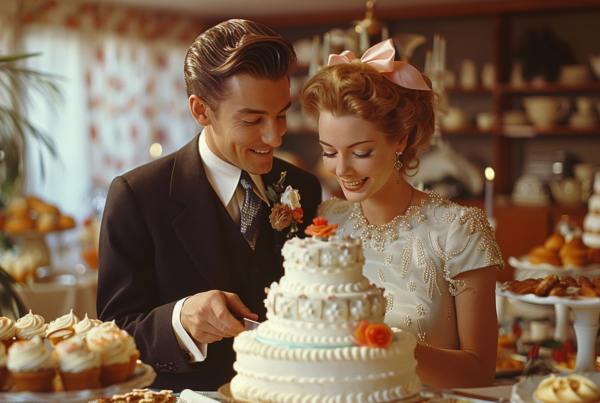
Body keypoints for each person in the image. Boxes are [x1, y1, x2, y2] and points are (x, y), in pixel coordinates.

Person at [97, 19, 322, 392]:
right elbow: (114, 333)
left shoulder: (303, 186)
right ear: (201, 111)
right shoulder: (136, 195)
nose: (275, 135)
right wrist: (179, 320)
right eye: (253, 120)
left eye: (281, 113)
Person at [301, 39, 503, 388]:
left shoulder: (458, 231)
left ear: (400, 140)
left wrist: (382, 342)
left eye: (361, 152)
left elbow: (480, 371)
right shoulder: (326, 223)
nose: (342, 169)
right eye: (328, 151)